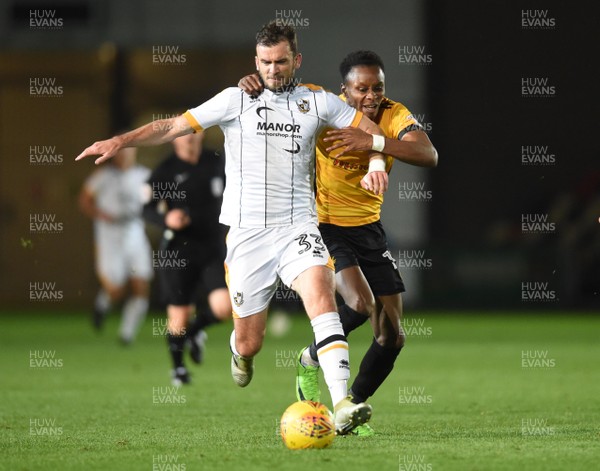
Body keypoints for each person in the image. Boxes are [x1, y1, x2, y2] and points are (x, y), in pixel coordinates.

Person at [75, 21, 389, 435]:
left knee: (321, 298)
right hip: (247, 237)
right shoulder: (235, 99)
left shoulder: (318, 101)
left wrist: (379, 161)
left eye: (280, 62)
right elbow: (172, 126)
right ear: (255, 62)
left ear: (296, 60)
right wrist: (121, 140)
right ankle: (239, 353)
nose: (273, 70)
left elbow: (369, 130)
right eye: (265, 62)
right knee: (250, 341)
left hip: (298, 226)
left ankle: (342, 402)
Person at [238, 50, 438, 436]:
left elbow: (428, 154)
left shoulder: (394, 114)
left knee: (392, 334)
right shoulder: (323, 108)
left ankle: (352, 409)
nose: (371, 95)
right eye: (361, 88)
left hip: (369, 229)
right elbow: (278, 86)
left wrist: (375, 144)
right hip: (324, 225)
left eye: (377, 87)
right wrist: (255, 81)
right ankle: (312, 360)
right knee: (359, 304)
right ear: (344, 90)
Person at [143, 132, 231, 386]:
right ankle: (179, 369)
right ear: (174, 139)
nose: (189, 137)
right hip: (178, 250)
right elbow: (146, 208)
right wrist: (165, 219)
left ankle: (196, 331)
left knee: (224, 307)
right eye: (183, 133)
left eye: (193, 132)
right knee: (178, 317)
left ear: (202, 134)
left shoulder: (216, 161)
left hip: (213, 246)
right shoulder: (166, 171)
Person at [79, 146, 153, 345]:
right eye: (121, 151)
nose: (125, 156)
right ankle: (102, 305)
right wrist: (101, 214)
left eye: (129, 151)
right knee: (116, 289)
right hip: (110, 237)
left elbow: (155, 201)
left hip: (135, 233)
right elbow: (84, 200)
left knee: (141, 285)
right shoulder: (103, 176)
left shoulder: (144, 175)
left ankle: (126, 335)